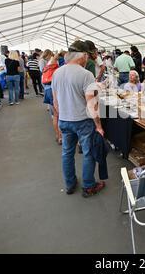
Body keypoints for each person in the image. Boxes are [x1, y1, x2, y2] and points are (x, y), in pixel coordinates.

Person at [52, 40, 105, 198]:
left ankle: (70, 183)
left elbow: (55, 102)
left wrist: (63, 116)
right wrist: (99, 126)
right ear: (82, 56)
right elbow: (91, 103)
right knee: (88, 153)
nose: (88, 58)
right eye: (87, 55)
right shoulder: (86, 74)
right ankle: (88, 186)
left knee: (67, 153)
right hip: (82, 120)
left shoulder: (57, 72)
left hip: (65, 119)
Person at [42, 53, 61, 144]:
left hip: (47, 90)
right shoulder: (54, 68)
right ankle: (61, 137)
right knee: (60, 115)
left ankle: (58, 136)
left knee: (55, 115)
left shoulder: (46, 68)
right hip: (54, 91)